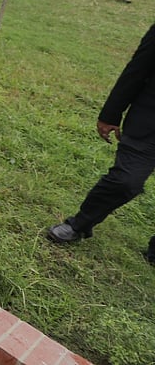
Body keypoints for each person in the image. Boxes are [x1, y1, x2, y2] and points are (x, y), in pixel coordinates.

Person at [47, 23, 155, 260]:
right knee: (126, 181)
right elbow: (137, 70)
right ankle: (79, 224)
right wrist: (110, 114)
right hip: (150, 125)